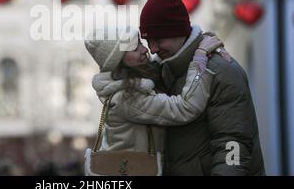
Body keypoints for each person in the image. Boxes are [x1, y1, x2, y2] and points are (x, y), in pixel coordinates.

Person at [139, 0, 266, 175]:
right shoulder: (163, 71)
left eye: (158, 39)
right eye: (147, 40)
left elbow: (232, 144)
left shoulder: (222, 71)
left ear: (178, 31)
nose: (152, 48)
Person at [84, 27, 223, 175]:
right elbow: (185, 108)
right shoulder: (128, 98)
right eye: (134, 48)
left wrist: (195, 42)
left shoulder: (131, 86)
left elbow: (157, 64)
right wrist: (200, 59)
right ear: (119, 61)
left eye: (140, 43)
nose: (144, 50)